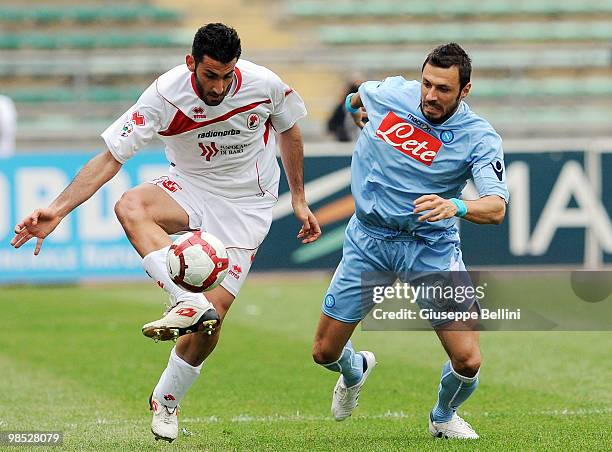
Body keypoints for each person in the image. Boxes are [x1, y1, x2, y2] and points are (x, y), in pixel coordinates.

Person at [11, 23, 321, 443]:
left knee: (210, 325)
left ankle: (166, 398)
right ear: (190, 62)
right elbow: (110, 157)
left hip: (248, 205)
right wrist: (58, 209)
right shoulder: (164, 96)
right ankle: (183, 299)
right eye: (210, 75)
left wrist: (298, 198)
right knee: (130, 205)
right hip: (190, 186)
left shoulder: (264, 84)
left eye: (227, 75)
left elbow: (289, 128)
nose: (219, 86)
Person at [311, 43, 508, 439]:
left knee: (468, 360)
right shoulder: (390, 94)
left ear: (465, 91)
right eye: (427, 84)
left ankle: (443, 415)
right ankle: (356, 369)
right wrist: (356, 112)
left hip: (430, 247)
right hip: (371, 241)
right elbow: (353, 98)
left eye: (443, 89)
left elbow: (496, 207)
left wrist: (457, 205)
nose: (431, 96)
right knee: (324, 353)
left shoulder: (478, 138)